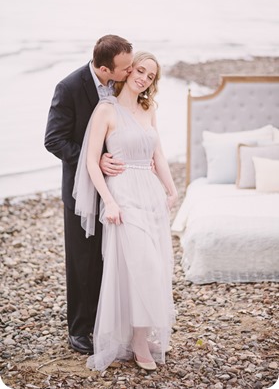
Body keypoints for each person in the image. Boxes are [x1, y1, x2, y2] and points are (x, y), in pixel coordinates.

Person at [73, 51, 178, 371]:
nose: (144, 78)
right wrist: (110, 202)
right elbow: (92, 160)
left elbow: (157, 153)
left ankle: (141, 333)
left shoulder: (149, 109)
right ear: (130, 71)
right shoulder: (106, 110)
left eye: (150, 76)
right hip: (122, 194)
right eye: (140, 70)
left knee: (155, 266)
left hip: (149, 194)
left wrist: (172, 190)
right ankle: (135, 341)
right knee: (140, 265)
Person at [44, 35, 133, 355]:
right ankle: (80, 329)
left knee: (113, 256)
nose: (131, 70)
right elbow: (54, 140)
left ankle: (109, 322)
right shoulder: (69, 88)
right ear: (105, 68)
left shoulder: (123, 84)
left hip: (120, 187)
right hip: (81, 191)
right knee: (83, 260)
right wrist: (93, 159)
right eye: (126, 67)